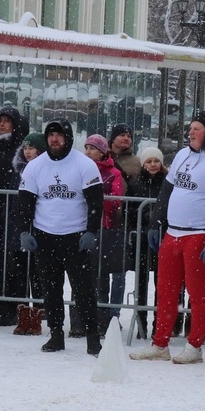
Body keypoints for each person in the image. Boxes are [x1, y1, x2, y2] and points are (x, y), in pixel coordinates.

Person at [130, 111, 205, 364]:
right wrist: (156, 221)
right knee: (165, 291)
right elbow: (166, 190)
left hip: (199, 234)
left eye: (197, 128)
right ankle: (160, 344)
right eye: (191, 128)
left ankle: (195, 345)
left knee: (198, 293)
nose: (191, 132)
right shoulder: (182, 155)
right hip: (173, 233)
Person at [14, 121, 104, 354]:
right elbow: (25, 202)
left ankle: (92, 337)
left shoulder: (84, 164)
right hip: (45, 236)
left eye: (59, 135)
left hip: (75, 237)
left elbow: (95, 201)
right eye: (51, 135)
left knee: (83, 290)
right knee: (51, 290)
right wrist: (24, 231)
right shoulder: (35, 166)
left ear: (68, 138)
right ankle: (55, 335)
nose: (54, 139)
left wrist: (91, 231)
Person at [0, 105, 30, 327]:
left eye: (7, 120)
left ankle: (14, 307)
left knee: (16, 262)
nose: (2, 124)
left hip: (16, 211)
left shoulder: (22, 149)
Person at [83, 133, 127, 327]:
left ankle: (112, 316)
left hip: (107, 228)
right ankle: (91, 316)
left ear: (102, 152)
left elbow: (115, 201)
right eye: (86, 148)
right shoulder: (81, 170)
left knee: (111, 274)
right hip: (84, 226)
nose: (88, 152)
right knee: (90, 274)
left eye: (92, 148)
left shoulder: (113, 173)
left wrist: (96, 198)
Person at [128, 147, 167, 340]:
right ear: (143, 164)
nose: (153, 165)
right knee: (141, 283)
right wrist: (142, 216)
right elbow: (127, 209)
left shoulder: (167, 183)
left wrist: (160, 220)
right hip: (141, 239)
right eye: (149, 161)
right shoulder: (135, 183)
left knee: (162, 284)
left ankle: (159, 325)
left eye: (156, 161)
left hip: (163, 237)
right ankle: (141, 324)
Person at [10, 132, 48, 335]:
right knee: (19, 273)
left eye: (31, 148)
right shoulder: (17, 169)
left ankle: (38, 317)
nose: (27, 152)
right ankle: (23, 317)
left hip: (40, 226)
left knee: (39, 274)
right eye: (25, 148)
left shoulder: (46, 170)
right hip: (20, 226)